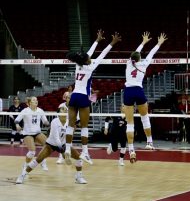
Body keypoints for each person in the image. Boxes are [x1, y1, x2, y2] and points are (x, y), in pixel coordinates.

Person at [65, 29, 121, 165]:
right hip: (84, 97)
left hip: (74, 97)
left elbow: (88, 53)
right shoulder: (90, 67)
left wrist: (97, 40)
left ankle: (67, 150)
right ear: (87, 61)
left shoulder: (78, 65)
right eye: (89, 58)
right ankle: (85, 152)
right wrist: (112, 43)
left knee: (70, 125)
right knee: (84, 126)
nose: (91, 58)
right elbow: (102, 54)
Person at [123, 31, 167, 163]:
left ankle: (131, 150)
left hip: (128, 91)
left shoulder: (128, 63)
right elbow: (151, 53)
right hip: (138, 90)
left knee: (130, 123)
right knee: (144, 118)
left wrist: (142, 42)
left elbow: (135, 53)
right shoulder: (144, 64)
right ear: (139, 59)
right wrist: (159, 43)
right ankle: (149, 142)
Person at [16, 106, 87, 184]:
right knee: (38, 160)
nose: (65, 110)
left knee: (78, 157)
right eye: (62, 109)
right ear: (58, 113)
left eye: (66, 110)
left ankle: (79, 177)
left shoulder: (70, 122)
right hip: (51, 144)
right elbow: (56, 138)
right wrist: (63, 151)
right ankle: (22, 175)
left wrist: (66, 149)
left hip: (63, 144)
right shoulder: (54, 122)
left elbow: (69, 137)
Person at [14, 97, 50, 172]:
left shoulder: (40, 111)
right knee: (32, 152)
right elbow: (17, 120)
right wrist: (17, 125)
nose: (36, 101)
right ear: (30, 102)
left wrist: (50, 125)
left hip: (37, 133)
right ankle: (26, 164)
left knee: (48, 145)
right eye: (34, 100)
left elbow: (45, 122)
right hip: (28, 133)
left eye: (36, 100)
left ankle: (42, 161)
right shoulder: (25, 110)